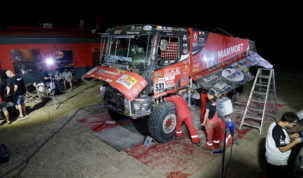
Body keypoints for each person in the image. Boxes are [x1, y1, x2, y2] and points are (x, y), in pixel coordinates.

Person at [265, 112, 302, 178]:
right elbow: (283, 149)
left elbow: (280, 137)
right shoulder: (278, 132)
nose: (293, 126)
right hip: (277, 161)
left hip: (271, 156)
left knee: (270, 172)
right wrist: (295, 142)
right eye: (293, 125)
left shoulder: (275, 124)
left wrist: (290, 136)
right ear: (287, 122)